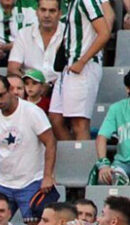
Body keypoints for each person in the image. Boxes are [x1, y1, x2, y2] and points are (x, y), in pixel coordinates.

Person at [0, 75, 57, 225]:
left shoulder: (32, 112)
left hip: (31, 180)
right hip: (3, 181)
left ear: (11, 90)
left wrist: (48, 175)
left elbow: (50, 142)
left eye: (1, 95)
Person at [49, 0, 110, 141]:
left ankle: (83, 162)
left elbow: (104, 33)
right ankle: (75, 157)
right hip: (68, 67)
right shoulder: (72, 3)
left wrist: (82, 61)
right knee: (55, 118)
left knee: (79, 123)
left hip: (84, 67)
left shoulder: (87, 1)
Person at [7, 0, 63, 86]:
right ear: (36, 12)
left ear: (60, 14)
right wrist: (32, 86)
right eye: (43, 10)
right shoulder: (24, 34)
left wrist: (51, 85)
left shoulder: (68, 33)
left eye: (52, 11)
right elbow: (12, 69)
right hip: (30, 91)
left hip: (61, 88)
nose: (47, 15)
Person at [96, 72, 130, 185]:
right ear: (128, 89)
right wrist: (104, 164)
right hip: (123, 163)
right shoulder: (117, 108)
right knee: (107, 177)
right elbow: (102, 137)